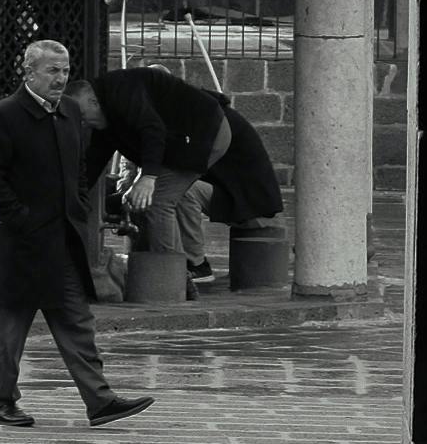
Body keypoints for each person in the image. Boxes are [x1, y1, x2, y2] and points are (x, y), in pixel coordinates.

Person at [0, 38, 153, 432]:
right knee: (11, 326)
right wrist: (21, 218)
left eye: (65, 70)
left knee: (76, 321)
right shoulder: (4, 115)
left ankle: (100, 400)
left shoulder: (70, 111)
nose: (60, 78)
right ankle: (0, 400)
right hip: (22, 243)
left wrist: (79, 206)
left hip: (62, 241)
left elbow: (80, 168)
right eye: (52, 71)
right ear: (29, 73)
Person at [80, 61, 283, 289]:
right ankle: (157, 265)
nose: (84, 124)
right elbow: (103, 160)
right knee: (148, 196)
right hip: (214, 182)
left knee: (161, 198)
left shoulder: (196, 120)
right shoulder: (120, 114)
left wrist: (147, 179)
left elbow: (154, 139)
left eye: (83, 116)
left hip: (247, 199)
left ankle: (182, 271)